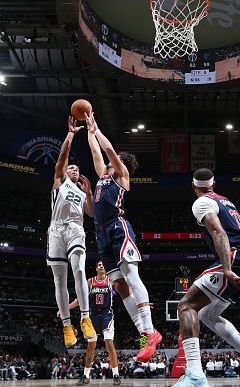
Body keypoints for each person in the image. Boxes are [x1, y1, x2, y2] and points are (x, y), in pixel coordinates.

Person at [173, 168, 240, 387]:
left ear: (193, 186)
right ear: (214, 184)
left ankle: (195, 375)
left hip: (237, 257)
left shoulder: (201, 202)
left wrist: (227, 269)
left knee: (186, 305)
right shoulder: (225, 201)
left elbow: (219, 233)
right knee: (207, 315)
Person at [84, 112, 161, 362]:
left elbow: (107, 150)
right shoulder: (102, 178)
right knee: (118, 285)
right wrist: (87, 130)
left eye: (111, 163)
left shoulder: (122, 177)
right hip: (100, 234)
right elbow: (97, 153)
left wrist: (97, 129)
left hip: (119, 229)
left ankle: (150, 331)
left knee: (131, 275)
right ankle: (144, 336)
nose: (106, 164)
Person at [48, 116, 95, 347]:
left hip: (76, 229)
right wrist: (71, 134)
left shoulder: (81, 190)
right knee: (59, 280)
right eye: (71, 167)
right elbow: (62, 158)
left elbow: (91, 214)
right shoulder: (59, 181)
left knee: (78, 270)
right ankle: (67, 325)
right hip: (56, 230)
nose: (74, 169)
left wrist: (89, 193)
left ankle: (85, 318)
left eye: (77, 168)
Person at [70, 262, 121, 386]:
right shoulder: (90, 281)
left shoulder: (111, 281)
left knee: (109, 343)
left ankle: (116, 375)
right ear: (96, 268)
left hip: (106, 314)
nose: (101, 266)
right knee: (90, 347)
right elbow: (80, 298)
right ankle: (85, 376)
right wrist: (66, 308)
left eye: (103, 264)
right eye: (99, 265)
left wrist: (141, 303)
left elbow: (125, 293)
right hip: (93, 316)